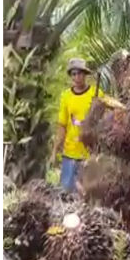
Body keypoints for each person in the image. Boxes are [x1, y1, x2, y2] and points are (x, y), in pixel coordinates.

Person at [49, 58, 103, 192]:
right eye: (74, 74)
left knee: (87, 194)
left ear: (85, 75)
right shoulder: (66, 96)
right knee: (65, 193)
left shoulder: (96, 94)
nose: (77, 77)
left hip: (89, 156)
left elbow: (103, 123)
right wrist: (55, 151)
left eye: (80, 73)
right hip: (70, 154)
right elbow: (62, 126)